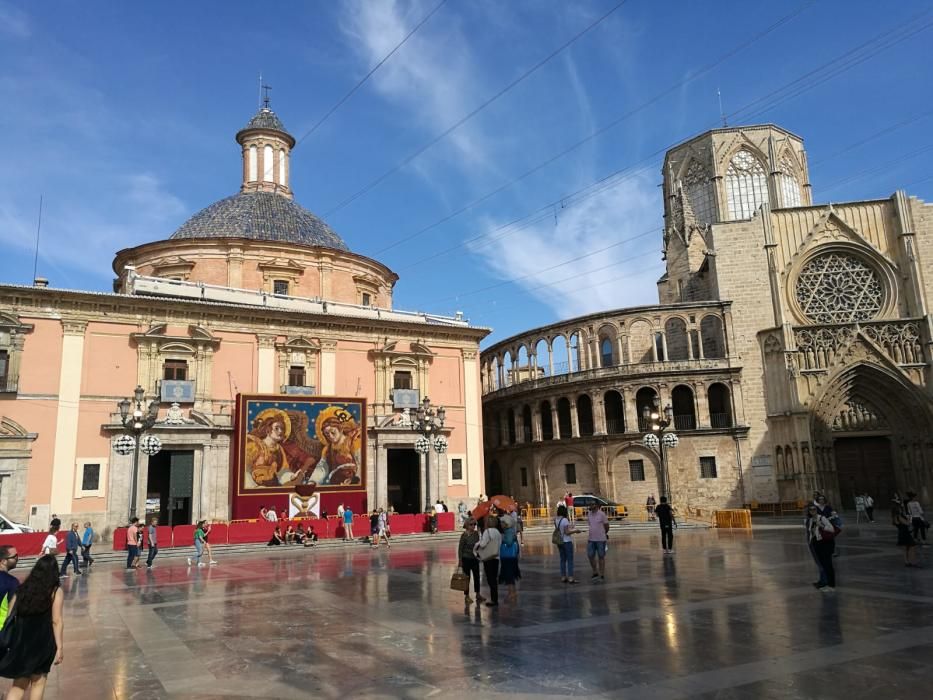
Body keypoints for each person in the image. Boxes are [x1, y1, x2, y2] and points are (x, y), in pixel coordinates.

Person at [0, 555, 64, 700]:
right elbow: (56, 620)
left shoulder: (21, 589)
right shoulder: (54, 592)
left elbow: (10, 615)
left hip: (21, 642)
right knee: (38, 683)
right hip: (43, 643)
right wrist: (59, 647)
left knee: (18, 686)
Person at [805, 504, 836, 590]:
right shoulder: (810, 520)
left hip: (824, 544)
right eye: (810, 510)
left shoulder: (822, 518)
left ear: (816, 510)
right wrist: (810, 542)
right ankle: (824, 582)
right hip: (815, 544)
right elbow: (810, 533)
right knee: (821, 564)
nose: (812, 511)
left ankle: (831, 584)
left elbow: (832, 529)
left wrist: (821, 525)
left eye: (814, 509)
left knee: (828, 564)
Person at [474, 515, 502, 607]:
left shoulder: (487, 531)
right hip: (496, 557)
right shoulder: (498, 532)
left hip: (488, 557)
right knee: (494, 578)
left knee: (490, 579)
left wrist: (477, 543)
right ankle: (495, 598)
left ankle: (494, 600)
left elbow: (482, 544)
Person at [498, 512, 521, 603]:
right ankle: (512, 592)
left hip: (509, 556)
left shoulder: (509, 531)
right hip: (508, 556)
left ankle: (511, 593)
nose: (501, 524)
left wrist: (502, 538)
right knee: (510, 575)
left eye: (502, 523)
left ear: (506, 523)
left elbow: (509, 542)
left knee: (509, 575)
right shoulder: (509, 531)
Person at [458, 519, 482, 604]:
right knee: (467, 578)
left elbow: (479, 545)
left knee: (477, 577)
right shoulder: (464, 535)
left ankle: (478, 594)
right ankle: (467, 596)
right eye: (471, 524)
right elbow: (460, 549)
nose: (473, 526)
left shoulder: (476, 534)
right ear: (467, 525)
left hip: (475, 558)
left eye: (474, 524)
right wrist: (460, 561)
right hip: (466, 559)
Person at [554, 504, 579, 583]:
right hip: (567, 542)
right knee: (570, 560)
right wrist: (575, 531)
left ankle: (563, 576)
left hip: (559, 542)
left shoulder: (556, 520)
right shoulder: (565, 520)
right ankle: (571, 577)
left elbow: (561, 529)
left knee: (562, 560)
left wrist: (570, 527)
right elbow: (567, 532)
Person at [892, 497, 920, 567]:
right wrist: (909, 520)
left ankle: (907, 562)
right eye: (900, 508)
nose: (901, 508)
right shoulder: (899, 516)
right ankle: (912, 562)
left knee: (906, 548)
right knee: (912, 546)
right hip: (905, 534)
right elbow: (907, 523)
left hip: (902, 533)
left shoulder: (895, 517)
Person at [586, 501, 610, 580]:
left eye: (593, 504)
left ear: (596, 505)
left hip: (600, 539)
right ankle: (595, 572)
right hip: (591, 539)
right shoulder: (589, 514)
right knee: (590, 555)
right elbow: (590, 524)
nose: (591, 505)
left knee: (601, 556)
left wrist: (604, 533)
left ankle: (602, 574)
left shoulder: (602, 514)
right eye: (590, 504)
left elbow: (607, 526)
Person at [0, 545, 19, 627]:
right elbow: (14, 610)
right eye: (14, 556)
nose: (17, 558)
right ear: (3, 561)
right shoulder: (12, 582)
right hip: (2, 630)